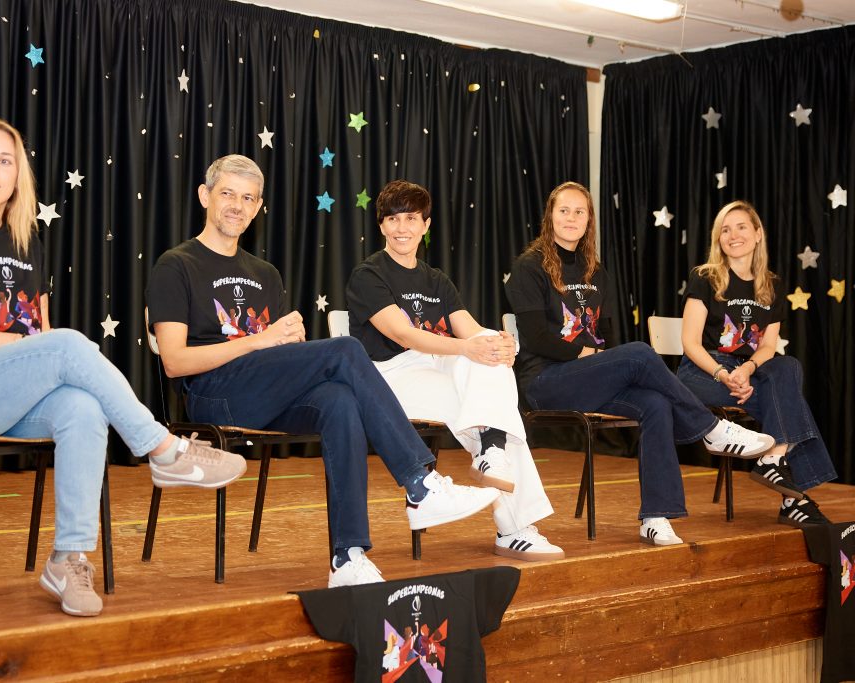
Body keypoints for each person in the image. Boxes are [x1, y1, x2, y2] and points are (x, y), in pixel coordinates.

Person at [0, 118, 248, 617]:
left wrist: (33, 349)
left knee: (83, 408)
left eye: (5, 160)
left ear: (19, 174)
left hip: (5, 394)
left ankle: (69, 558)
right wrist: (24, 346)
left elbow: (37, 336)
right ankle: (163, 448)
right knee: (64, 346)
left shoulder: (26, 241)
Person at [146, 154, 501, 588]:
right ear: (205, 196)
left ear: (258, 207)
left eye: (248, 197)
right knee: (346, 350)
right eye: (227, 194)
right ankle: (419, 483)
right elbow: (174, 361)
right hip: (213, 394)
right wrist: (260, 339)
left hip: (266, 393)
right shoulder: (177, 264)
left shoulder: (265, 273)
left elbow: (280, 354)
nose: (237, 205)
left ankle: (347, 557)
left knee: (340, 400)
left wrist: (285, 341)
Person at [505, 181, 779, 545]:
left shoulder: (596, 272)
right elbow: (536, 337)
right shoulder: (530, 266)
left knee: (655, 402)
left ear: (590, 220)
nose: (571, 218)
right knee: (638, 352)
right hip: (545, 381)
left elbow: (607, 334)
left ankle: (656, 515)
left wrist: (602, 360)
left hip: (590, 379)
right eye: (564, 210)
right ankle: (711, 428)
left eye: (580, 211)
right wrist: (592, 357)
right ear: (549, 216)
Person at [346, 180, 564, 561]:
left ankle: (492, 454)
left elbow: (469, 329)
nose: (402, 228)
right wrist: (469, 347)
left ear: (426, 225)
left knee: (489, 355)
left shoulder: (436, 279)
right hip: (388, 376)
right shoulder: (369, 275)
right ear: (381, 225)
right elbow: (403, 334)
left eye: (411, 218)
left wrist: (497, 342)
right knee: (486, 391)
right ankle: (512, 524)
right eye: (393, 219)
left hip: (436, 363)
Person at [677, 200, 836, 527]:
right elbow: (690, 343)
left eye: (741, 227)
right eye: (725, 229)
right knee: (786, 401)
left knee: (787, 367)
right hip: (703, 372)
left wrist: (747, 370)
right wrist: (724, 374)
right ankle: (794, 498)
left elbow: (766, 346)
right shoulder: (705, 278)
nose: (733, 235)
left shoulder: (771, 285)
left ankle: (775, 461)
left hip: (746, 373)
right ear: (718, 238)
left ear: (758, 233)